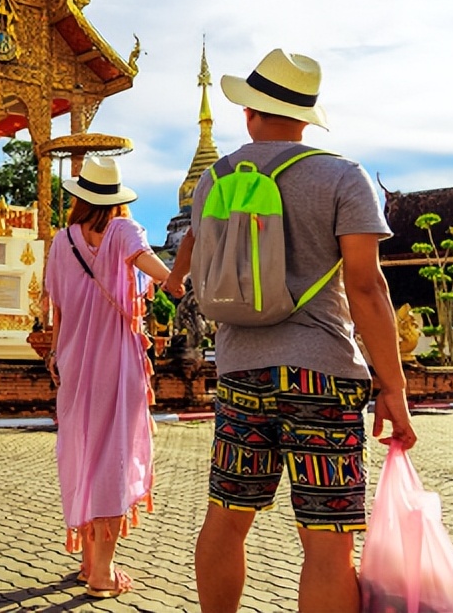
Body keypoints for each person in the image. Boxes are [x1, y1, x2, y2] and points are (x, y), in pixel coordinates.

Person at [165, 48, 417, 613]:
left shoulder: (214, 179)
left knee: (226, 519)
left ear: (249, 112)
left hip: (241, 373)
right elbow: (367, 288)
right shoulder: (342, 176)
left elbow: (201, 265)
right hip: (322, 377)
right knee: (327, 544)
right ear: (306, 117)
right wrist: (393, 387)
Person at [43, 155, 173, 599]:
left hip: (74, 364)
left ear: (81, 198)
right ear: (116, 199)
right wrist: (183, 270)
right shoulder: (123, 230)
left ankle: (87, 561)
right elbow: (158, 272)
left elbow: (58, 308)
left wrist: (56, 355)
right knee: (112, 459)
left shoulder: (62, 241)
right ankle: (102, 573)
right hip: (116, 364)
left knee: (81, 454)